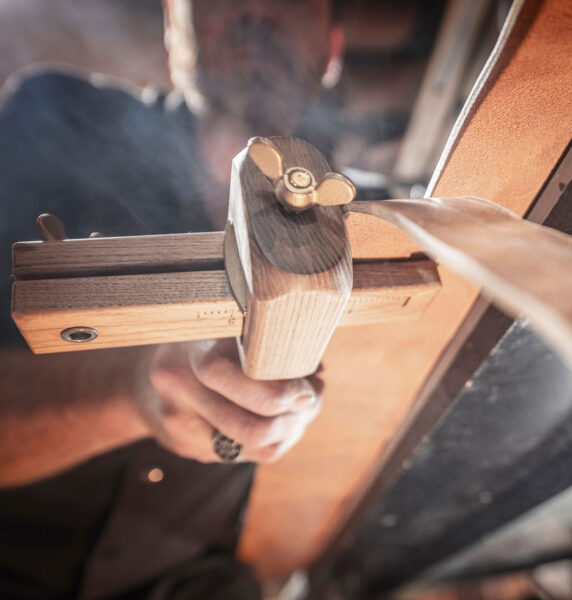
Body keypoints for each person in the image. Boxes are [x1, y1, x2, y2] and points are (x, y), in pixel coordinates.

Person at [0, 0, 345, 597]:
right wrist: (135, 388)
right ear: (174, 24)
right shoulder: (60, 119)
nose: (257, 11)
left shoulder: (357, 217)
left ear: (332, 46)